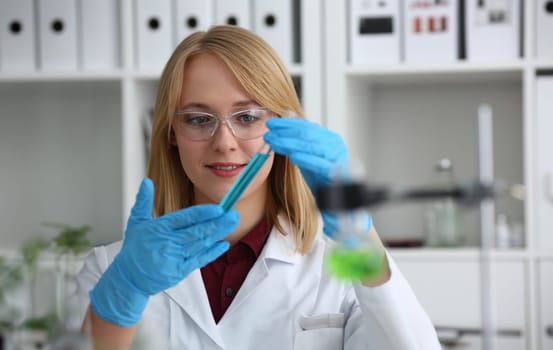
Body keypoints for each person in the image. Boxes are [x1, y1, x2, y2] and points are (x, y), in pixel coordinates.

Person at [75, 25, 441, 349]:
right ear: (171, 132)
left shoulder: (338, 269)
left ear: (283, 125)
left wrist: (363, 242)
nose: (224, 142)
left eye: (247, 117)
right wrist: (125, 291)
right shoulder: (114, 269)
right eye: (199, 119)